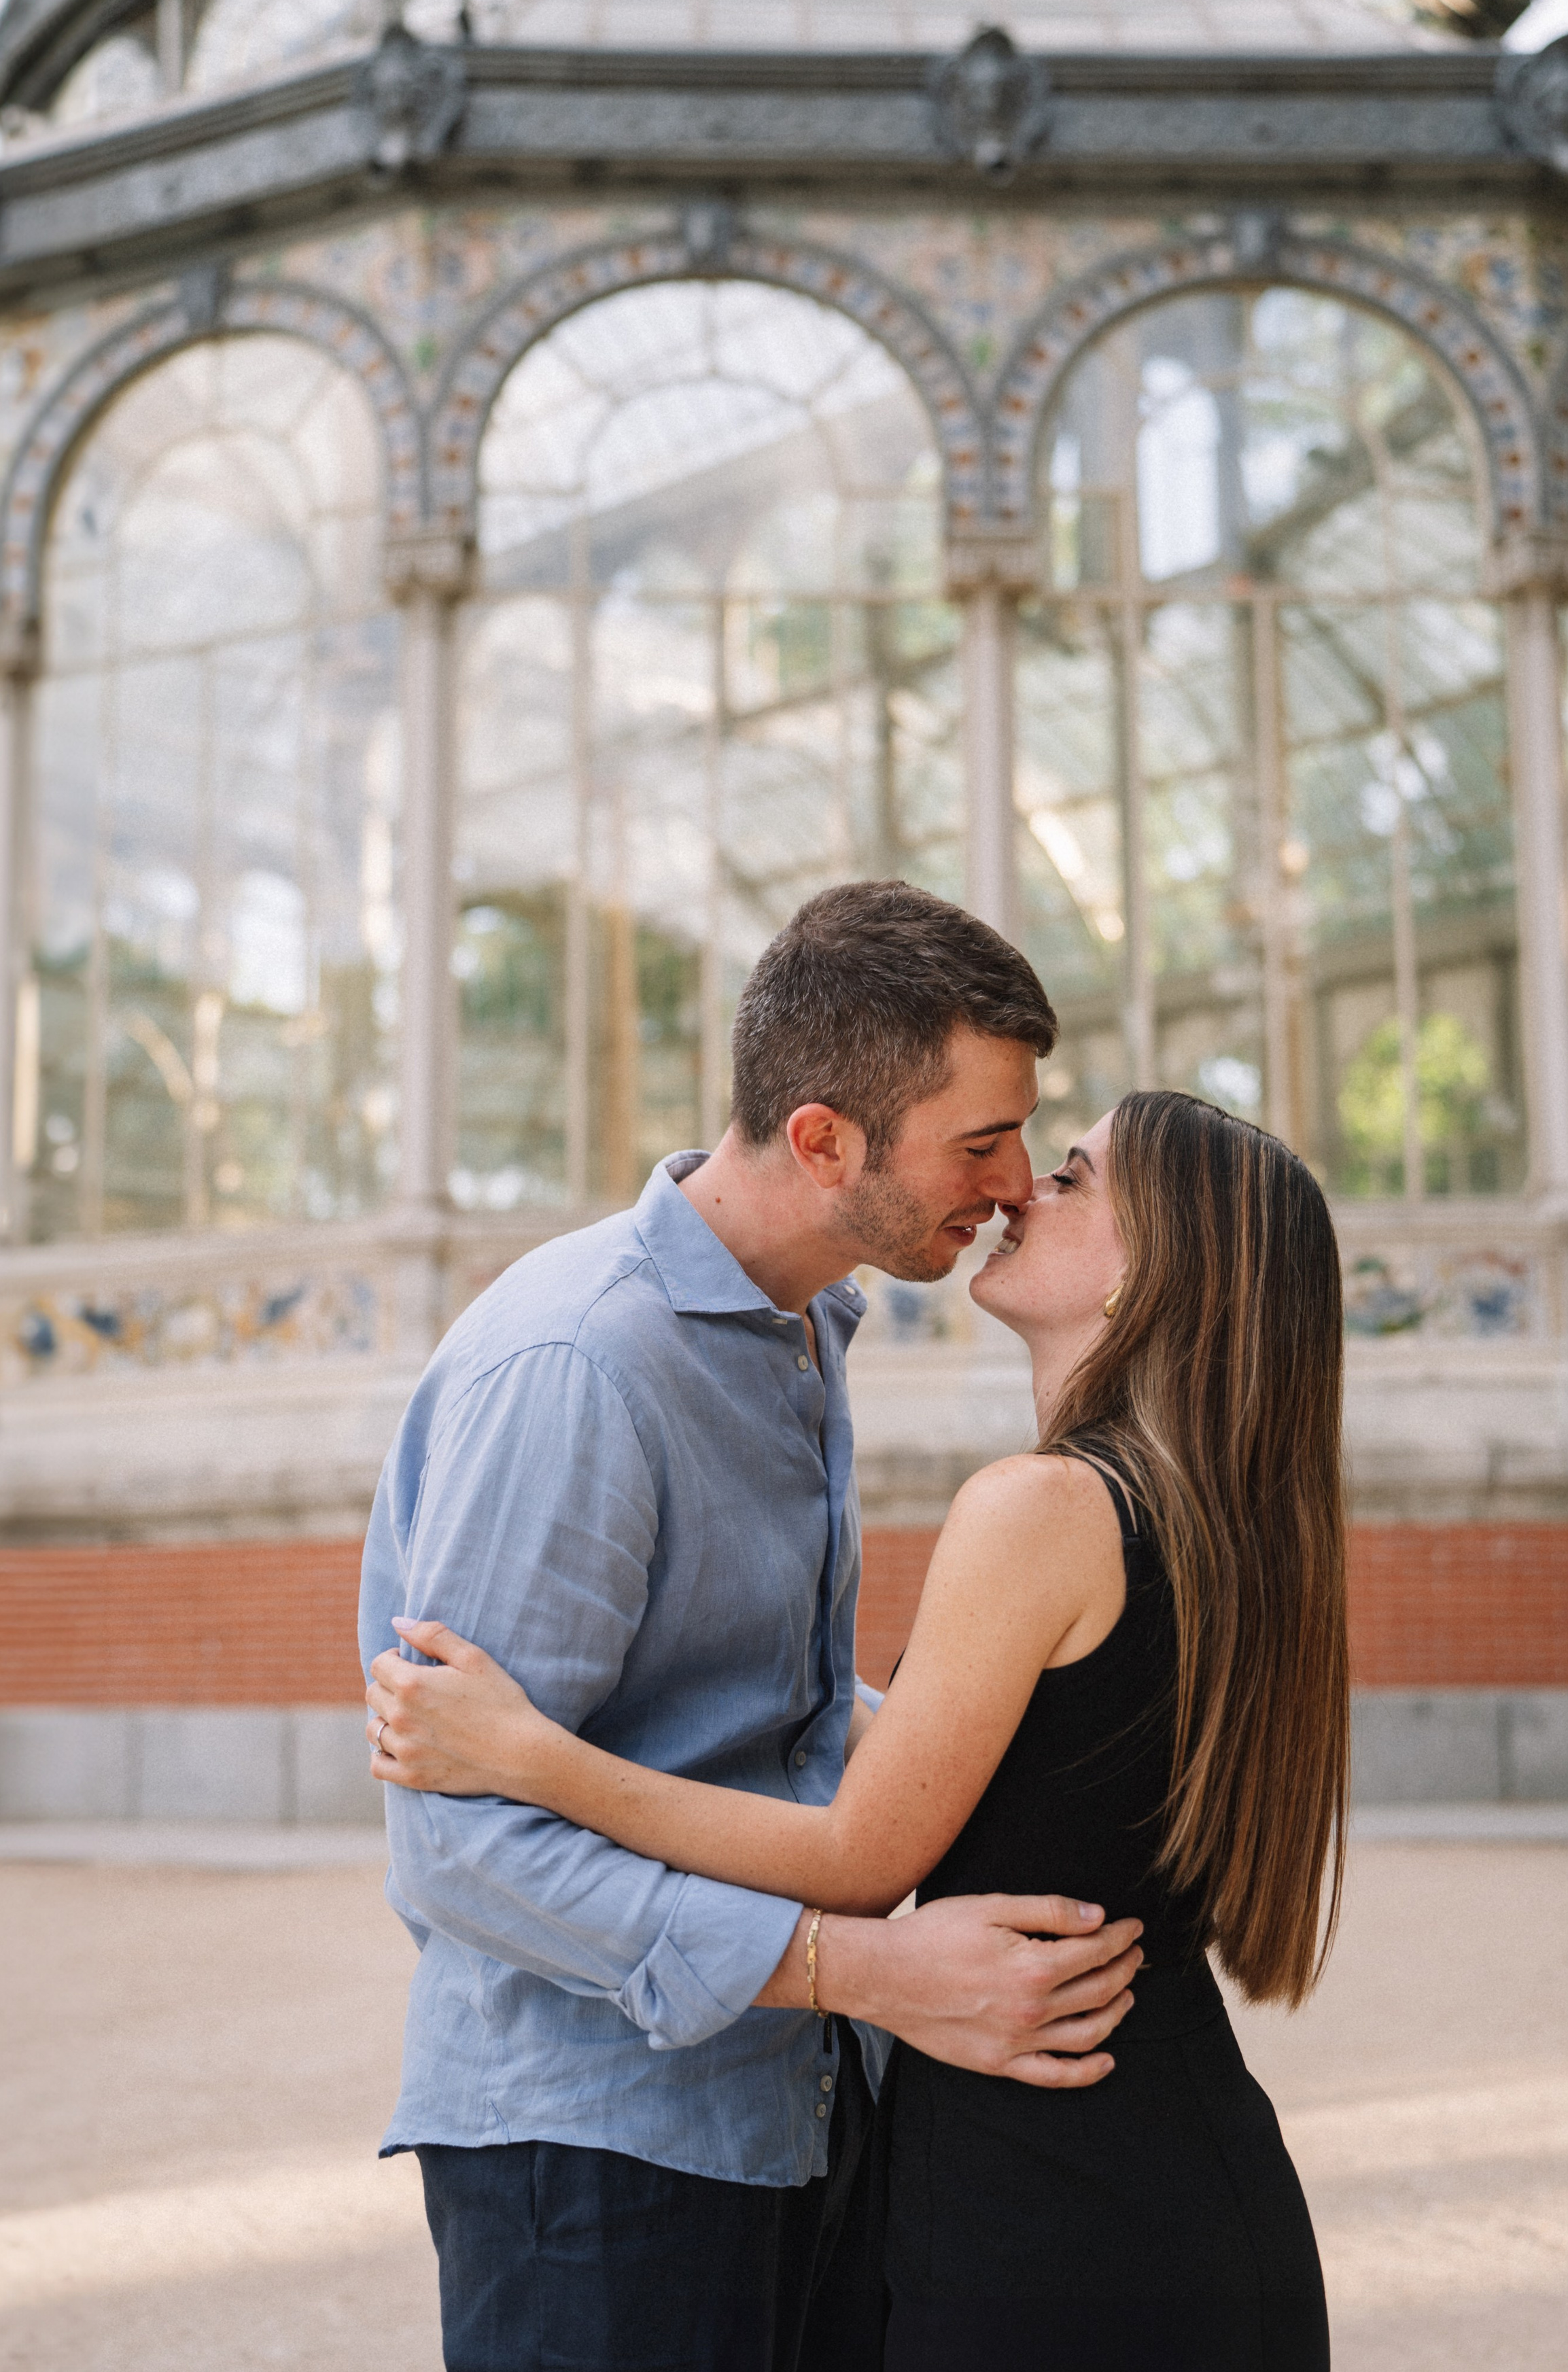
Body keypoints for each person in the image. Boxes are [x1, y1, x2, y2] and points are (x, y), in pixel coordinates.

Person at [368, 1087, 1351, 2371]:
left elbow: (857, 1857)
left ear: (1153, 1272)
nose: (1017, 1188)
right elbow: (1030, 1755)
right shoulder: (1231, 1528)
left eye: (1069, 1176)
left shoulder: (1040, 1509)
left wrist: (534, 1757)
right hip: (1183, 2171)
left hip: (1046, 2199)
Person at [357, 879, 1147, 2372]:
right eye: (978, 1142)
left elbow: (765, 1721)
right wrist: (862, 1970)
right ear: (823, 1140)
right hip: (598, 2149)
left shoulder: (801, 1324)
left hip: (796, 2108)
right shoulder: (581, 1366)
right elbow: (459, 1849)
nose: (1011, 1185)